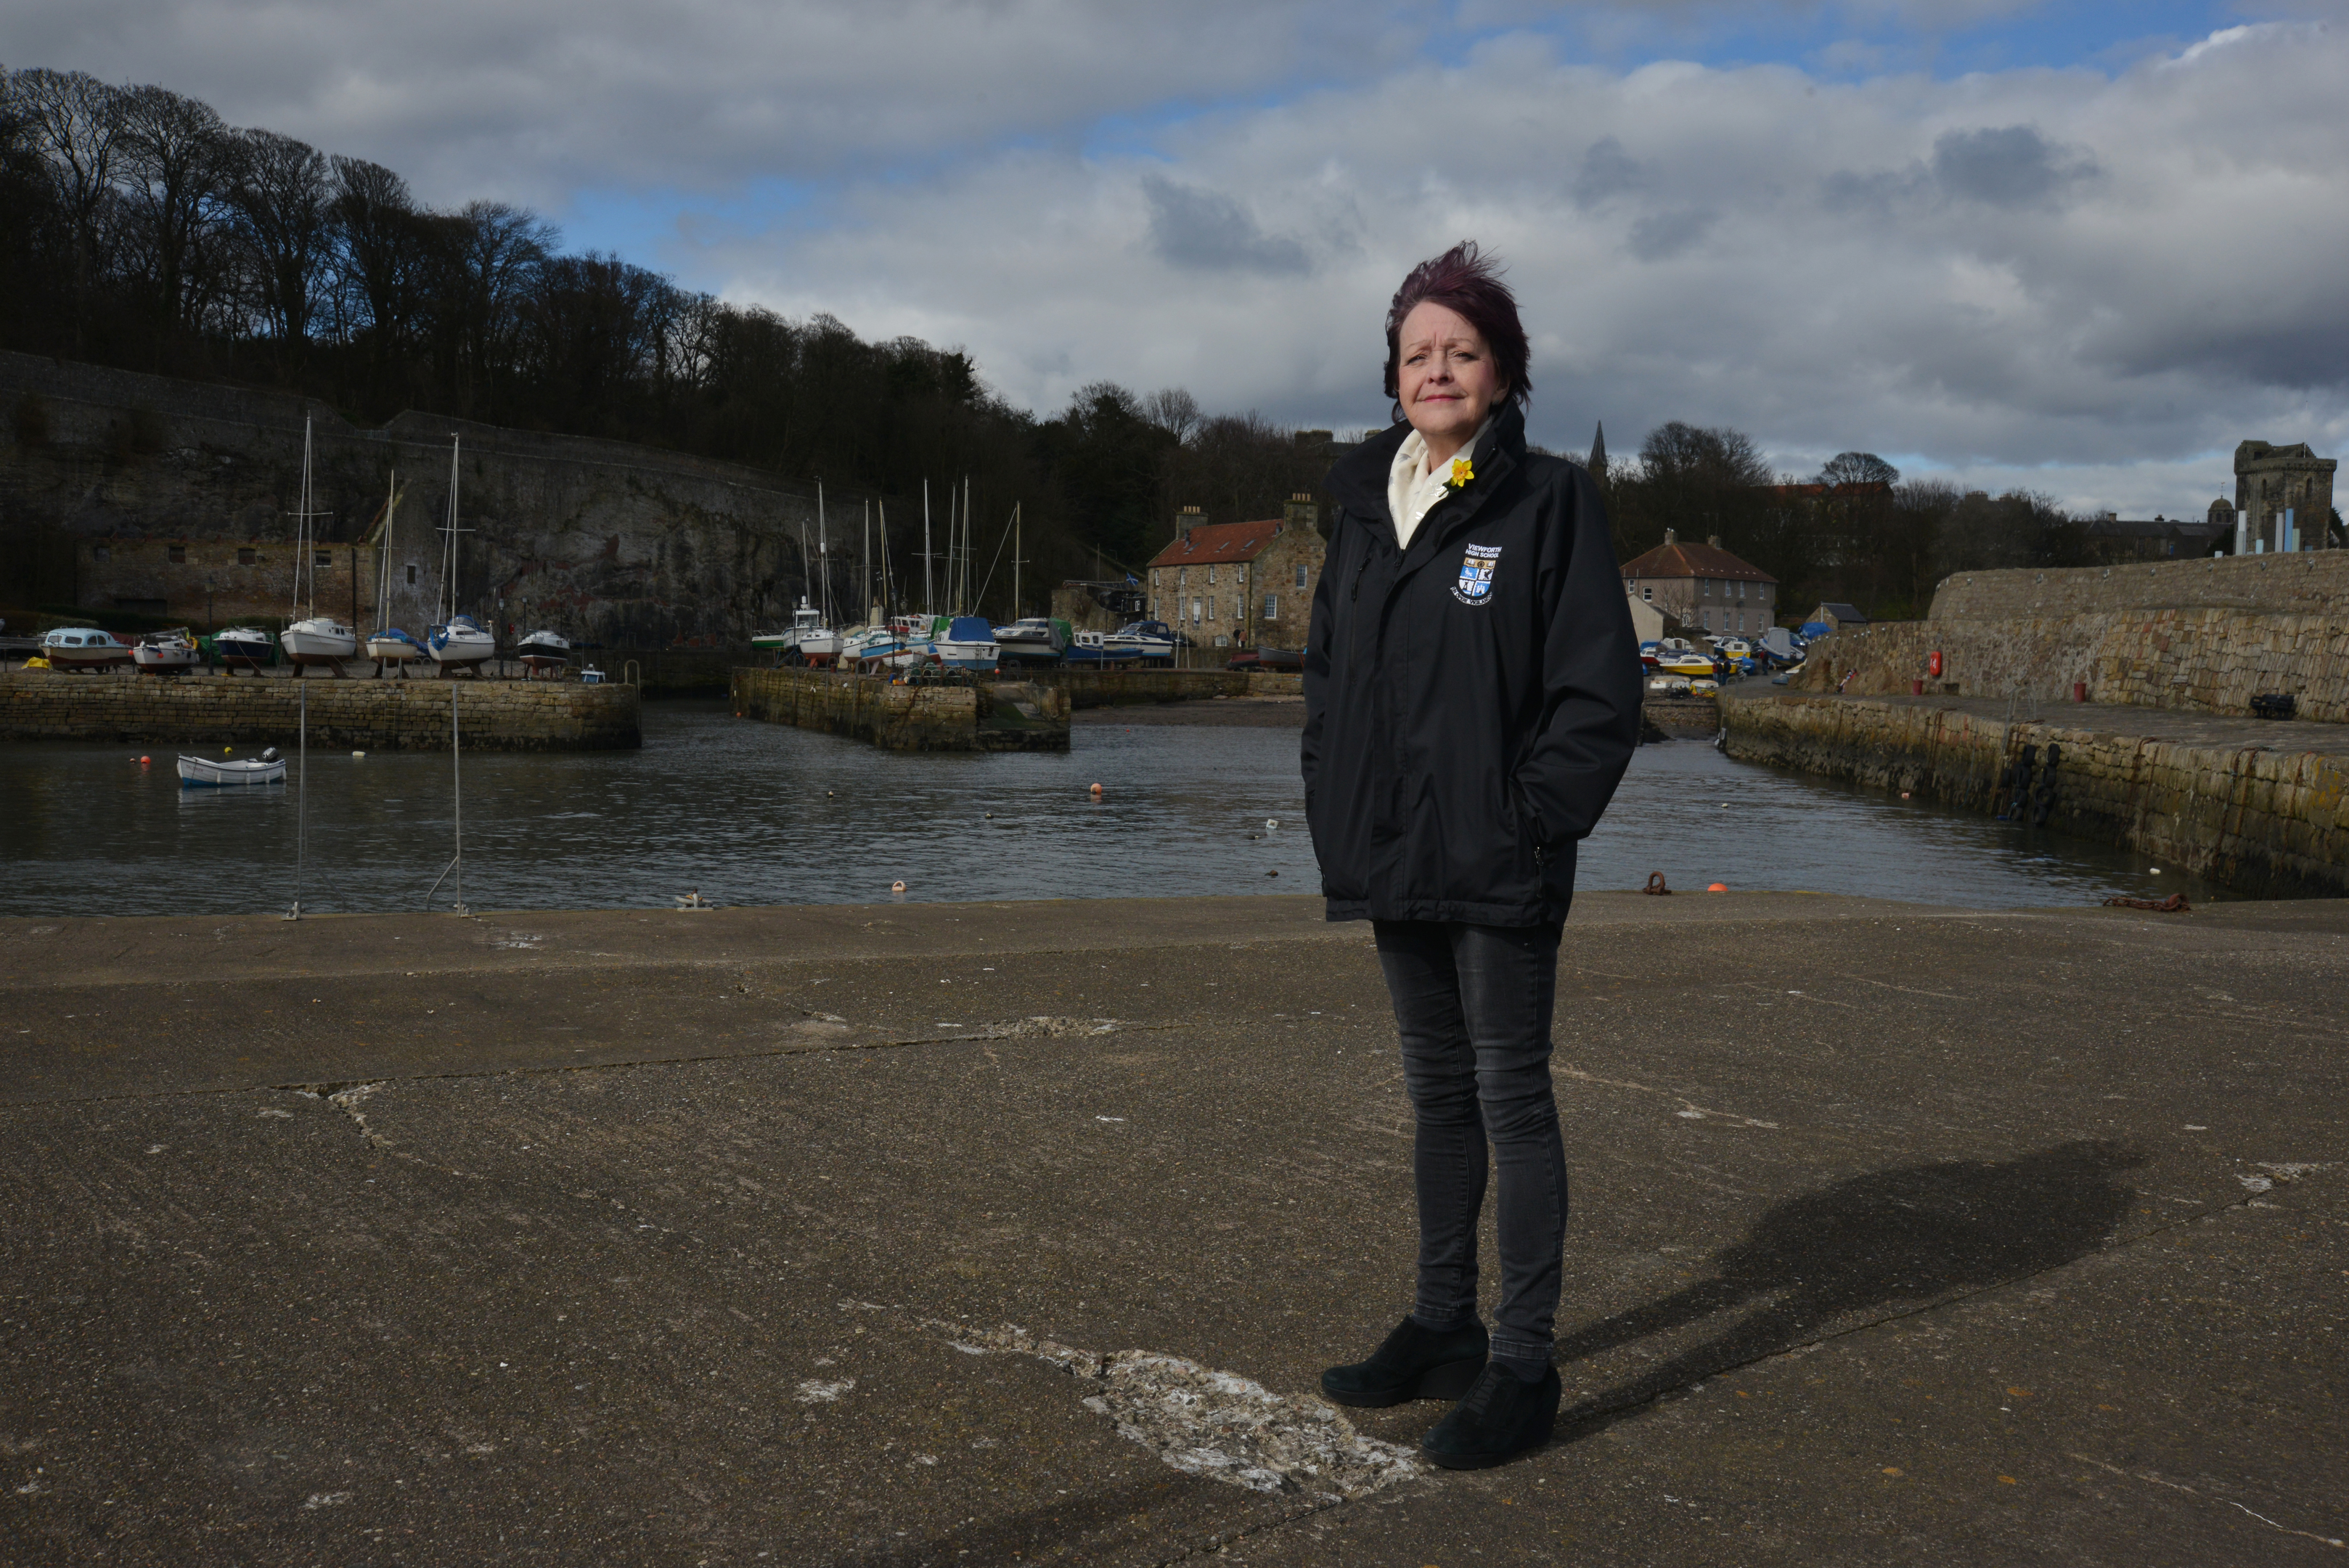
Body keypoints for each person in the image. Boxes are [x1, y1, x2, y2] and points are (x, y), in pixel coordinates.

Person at [1301, 242, 1641, 1469]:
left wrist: (1530, 822)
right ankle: (1444, 1324)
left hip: (1499, 864)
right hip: (1391, 855)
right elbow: (1332, 681)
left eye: (1461, 351)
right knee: (1436, 1096)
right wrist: (1334, 810)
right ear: (1393, 378)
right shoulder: (1361, 507)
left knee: (1512, 1096)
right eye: (1415, 354)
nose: (1436, 369)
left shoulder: (1545, 503)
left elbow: (1598, 695)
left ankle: (1522, 1365)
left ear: (1503, 373)